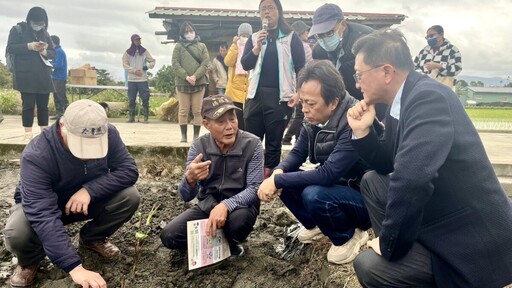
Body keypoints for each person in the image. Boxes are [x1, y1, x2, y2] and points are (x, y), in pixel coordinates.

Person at [347, 29, 512, 287]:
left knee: (371, 267)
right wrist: (363, 131)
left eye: (359, 74)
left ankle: (403, 262)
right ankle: (405, 258)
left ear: (387, 72)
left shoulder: (428, 98)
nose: (357, 84)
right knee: (372, 181)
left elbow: (411, 179)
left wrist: (389, 244)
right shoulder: (400, 102)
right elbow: (386, 164)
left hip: (471, 236)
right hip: (441, 212)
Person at [2, 99, 140, 288]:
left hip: (84, 201)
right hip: (46, 204)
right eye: (82, 144)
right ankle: (29, 261)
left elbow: (128, 170)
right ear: (63, 126)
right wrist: (74, 267)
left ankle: (91, 238)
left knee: (129, 197)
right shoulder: (37, 154)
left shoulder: (110, 134)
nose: (87, 154)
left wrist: (90, 190)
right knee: (17, 232)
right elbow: (42, 213)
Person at [258, 60, 371, 264]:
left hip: (362, 197)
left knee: (314, 195)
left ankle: (348, 236)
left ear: (333, 102)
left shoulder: (353, 120)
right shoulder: (313, 119)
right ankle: (316, 225)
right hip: (338, 187)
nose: (305, 109)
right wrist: (278, 172)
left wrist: (277, 181)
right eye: (302, 102)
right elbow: (297, 153)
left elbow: (328, 173)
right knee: (285, 177)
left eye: (311, 104)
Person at [160, 95, 263, 257]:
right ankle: (219, 243)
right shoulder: (198, 146)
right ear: (206, 124)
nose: (229, 127)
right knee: (169, 235)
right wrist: (190, 179)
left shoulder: (253, 144)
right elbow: (185, 195)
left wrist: (226, 205)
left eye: (232, 119)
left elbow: (255, 188)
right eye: (221, 122)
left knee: (239, 223)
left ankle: (232, 241)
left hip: (239, 208)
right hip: (208, 207)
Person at [241, 0, 305, 178]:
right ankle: (249, 176)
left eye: (270, 8)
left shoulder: (291, 37)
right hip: (255, 96)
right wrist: (255, 48)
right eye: (263, 9)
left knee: (274, 141)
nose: (266, 12)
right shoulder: (255, 37)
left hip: (279, 97)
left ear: (279, 11)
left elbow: (301, 67)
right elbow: (245, 65)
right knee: (250, 139)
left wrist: (299, 92)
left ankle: (270, 180)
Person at [6, 6, 55, 140]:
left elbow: (53, 52)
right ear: (30, 20)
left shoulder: (45, 33)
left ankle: (44, 134)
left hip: (43, 74)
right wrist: (29, 46)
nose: (39, 26)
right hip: (25, 74)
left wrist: (44, 51)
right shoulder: (17, 30)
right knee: (28, 105)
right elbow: (11, 48)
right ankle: (27, 133)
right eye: (37, 23)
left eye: (42, 23)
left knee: (43, 106)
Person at [172, 21, 210, 143]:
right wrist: (186, 77)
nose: (189, 34)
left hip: (198, 83)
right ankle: (183, 135)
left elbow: (205, 63)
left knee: (197, 110)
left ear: (195, 31)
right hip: (182, 83)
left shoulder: (202, 46)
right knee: (183, 110)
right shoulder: (178, 46)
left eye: (191, 31)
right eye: (186, 32)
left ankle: (196, 136)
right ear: (182, 34)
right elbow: (175, 64)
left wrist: (195, 76)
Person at [282, 20, 313, 145]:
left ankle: (297, 137)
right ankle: (288, 137)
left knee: (300, 113)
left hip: (294, 83)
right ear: (299, 33)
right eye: (305, 30)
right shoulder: (304, 47)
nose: (307, 32)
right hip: (304, 83)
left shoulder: (289, 46)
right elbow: (310, 65)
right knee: (301, 113)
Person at [224, 23, 253, 130]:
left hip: (249, 89)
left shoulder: (253, 46)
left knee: (247, 119)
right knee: (236, 118)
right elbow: (228, 62)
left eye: (247, 35)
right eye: (243, 35)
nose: (244, 38)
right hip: (234, 89)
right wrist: (234, 45)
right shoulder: (234, 46)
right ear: (238, 35)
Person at [122, 34, 156, 123]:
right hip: (132, 80)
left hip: (142, 79)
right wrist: (133, 71)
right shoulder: (127, 53)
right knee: (131, 99)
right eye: (136, 40)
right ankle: (131, 117)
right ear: (132, 41)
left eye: (139, 40)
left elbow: (152, 61)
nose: (138, 41)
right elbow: (125, 64)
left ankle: (145, 118)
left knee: (145, 98)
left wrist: (147, 66)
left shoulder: (144, 51)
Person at [50, 35, 68, 120]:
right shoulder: (55, 51)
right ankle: (59, 113)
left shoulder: (59, 52)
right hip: (55, 77)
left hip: (60, 77)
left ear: (53, 42)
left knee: (61, 96)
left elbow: (59, 64)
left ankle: (66, 114)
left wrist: (49, 64)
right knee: (56, 95)